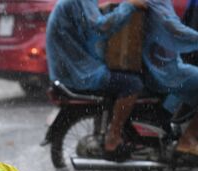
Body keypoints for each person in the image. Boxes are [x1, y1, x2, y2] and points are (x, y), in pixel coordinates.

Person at [46, 0, 147, 160]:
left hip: (72, 68)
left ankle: (110, 128)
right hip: (79, 72)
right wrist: (129, 6)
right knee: (133, 83)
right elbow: (101, 27)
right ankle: (113, 137)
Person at [143, 0, 198, 159]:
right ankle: (189, 139)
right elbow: (174, 29)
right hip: (163, 69)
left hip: (162, 62)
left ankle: (170, 118)